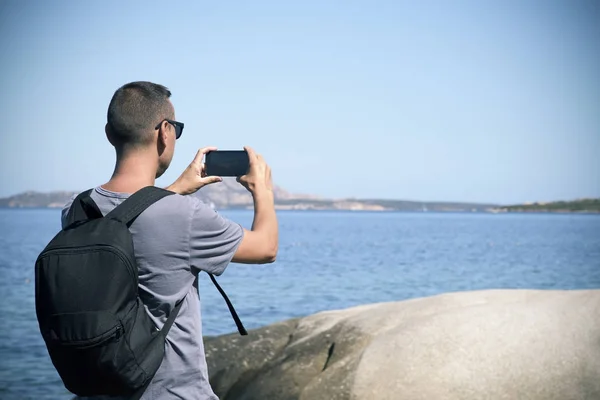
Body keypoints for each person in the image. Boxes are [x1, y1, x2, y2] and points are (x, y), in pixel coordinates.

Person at [62, 81, 278, 399]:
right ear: (165, 132)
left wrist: (175, 188)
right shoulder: (185, 216)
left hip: (102, 388)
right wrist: (264, 190)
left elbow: (127, 220)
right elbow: (266, 247)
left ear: (109, 133)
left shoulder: (77, 209)